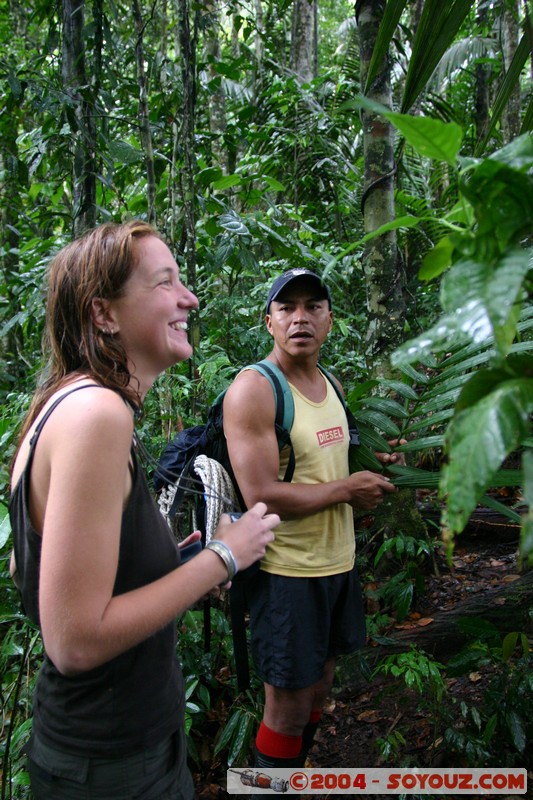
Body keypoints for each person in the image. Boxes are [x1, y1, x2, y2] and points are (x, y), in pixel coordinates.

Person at [8, 220, 279, 800]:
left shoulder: (63, 406)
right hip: (112, 764)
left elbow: (37, 575)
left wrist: (178, 563)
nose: (190, 297)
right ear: (104, 313)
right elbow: (74, 640)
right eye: (165, 283)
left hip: (113, 751)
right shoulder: (96, 415)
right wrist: (225, 558)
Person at [223, 268, 402, 774]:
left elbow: (329, 463)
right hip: (287, 573)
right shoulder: (255, 390)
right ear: (269, 322)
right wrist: (347, 488)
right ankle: (268, 786)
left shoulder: (332, 383)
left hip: (336, 564)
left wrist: (374, 467)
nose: (300, 317)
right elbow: (261, 493)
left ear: (329, 320)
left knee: (320, 687)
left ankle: (291, 779)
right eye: (287, 308)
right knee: (287, 707)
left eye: (312, 307)